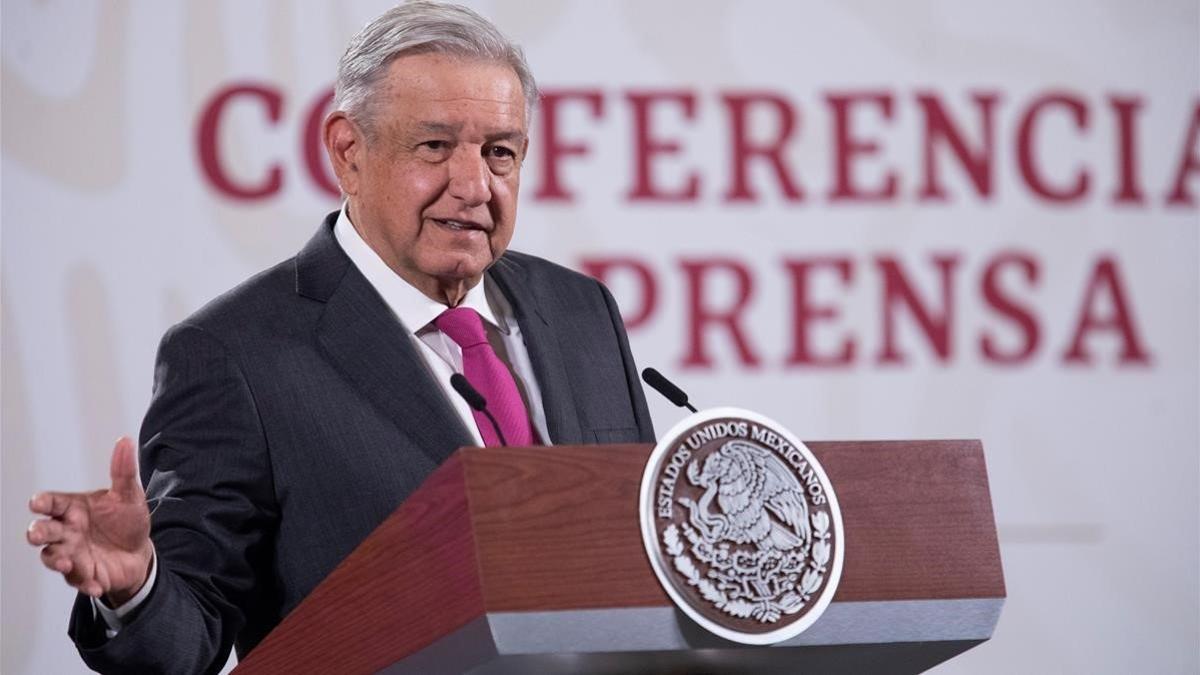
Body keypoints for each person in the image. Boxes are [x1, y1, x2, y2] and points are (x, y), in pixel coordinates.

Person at [24, 3, 656, 673]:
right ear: (348, 152)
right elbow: (189, 638)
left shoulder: (583, 311)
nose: (474, 186)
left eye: (500, 152)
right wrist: (135, 585)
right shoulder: (234, 353)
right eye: (435, 146)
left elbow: (646, 565)